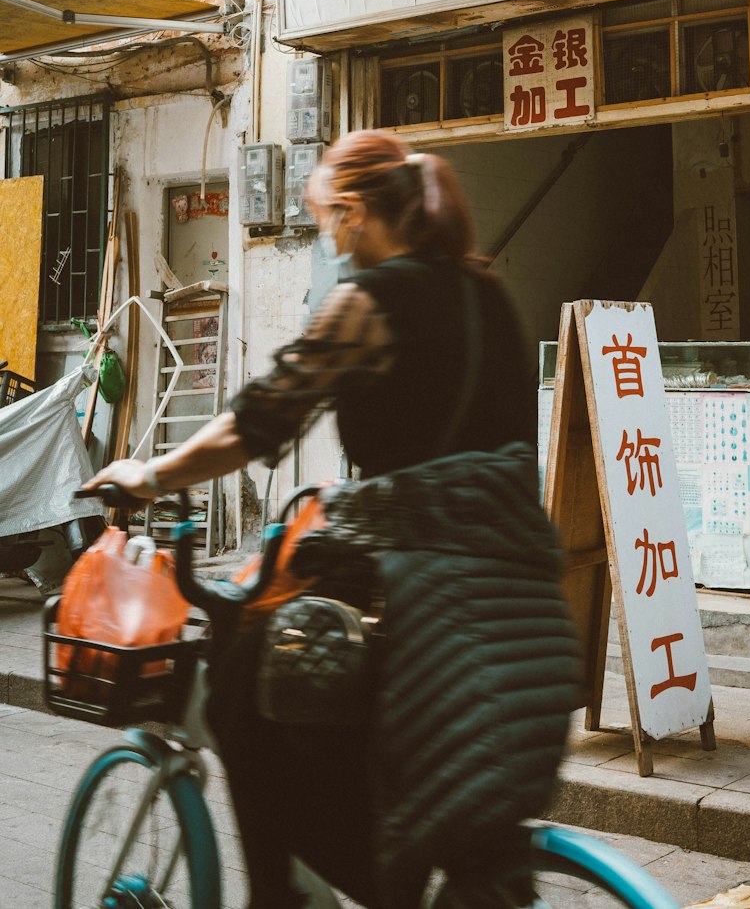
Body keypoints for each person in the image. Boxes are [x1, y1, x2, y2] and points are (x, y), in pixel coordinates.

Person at [82, 129, 578, 909]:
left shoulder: (369, 303)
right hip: (529, 615)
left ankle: (279, 895)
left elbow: (258, 421)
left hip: (427, 602)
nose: (328, 238)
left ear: (351, 213)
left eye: (323, 221)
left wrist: (146, 474)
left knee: (244, 683)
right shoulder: (490, 294)